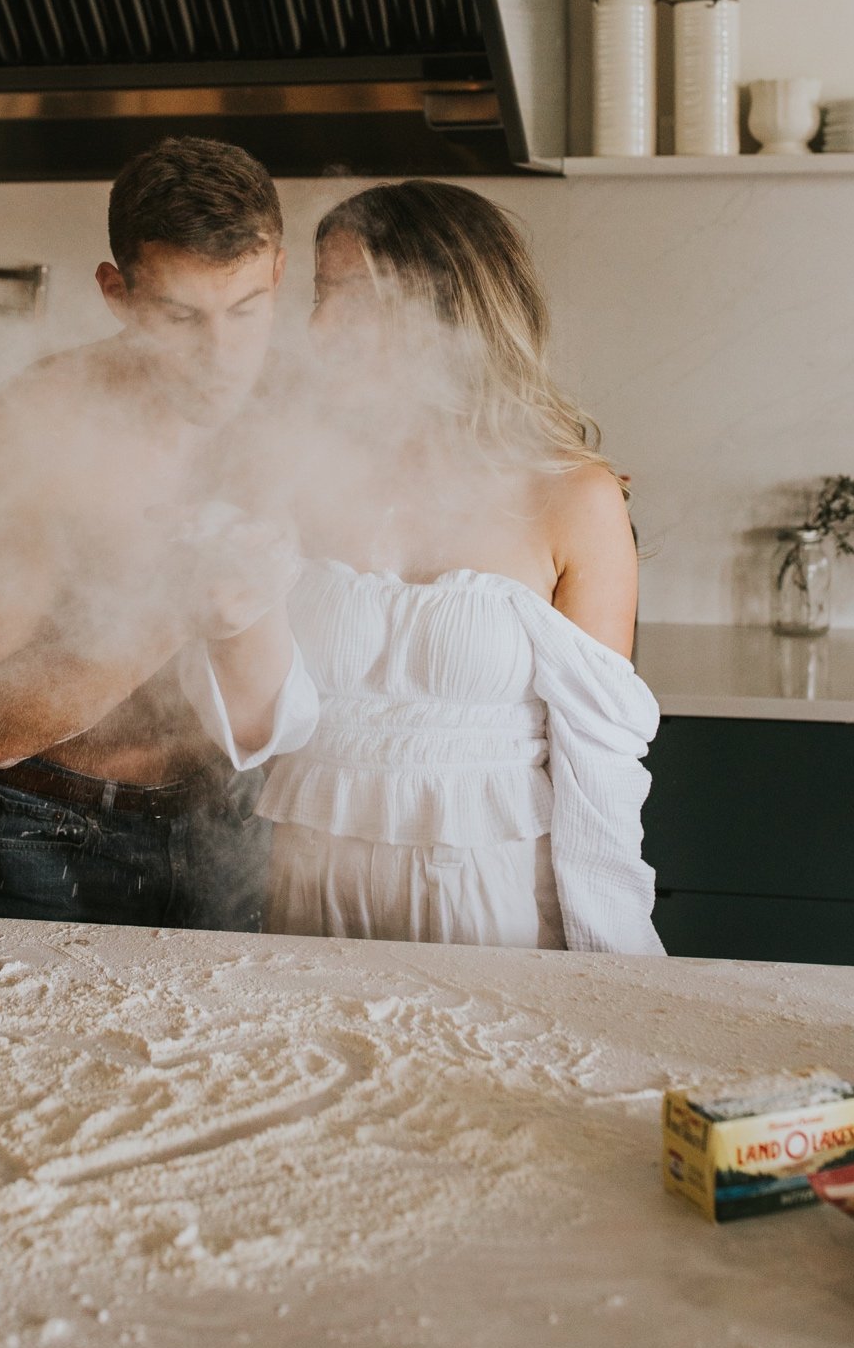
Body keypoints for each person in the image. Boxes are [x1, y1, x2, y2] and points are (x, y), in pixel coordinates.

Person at [191, 179, 664, 954]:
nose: (318, 325)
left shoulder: (572, 497)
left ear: (446, 307)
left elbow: (600, 768)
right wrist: (228, 616)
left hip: (493, 908)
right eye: (320, 294)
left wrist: (616, 966)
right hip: (311, 896)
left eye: (354, 296)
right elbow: (256, 731)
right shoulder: (292, 477)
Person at [0, 135, 313, 932]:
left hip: (241, 819)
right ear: (118, 292)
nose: (221, 355)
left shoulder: (303, 414)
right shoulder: (26, 431)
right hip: (55, 834)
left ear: (279, 271)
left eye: (246, 311)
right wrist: (176, 607)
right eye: (181, 317)